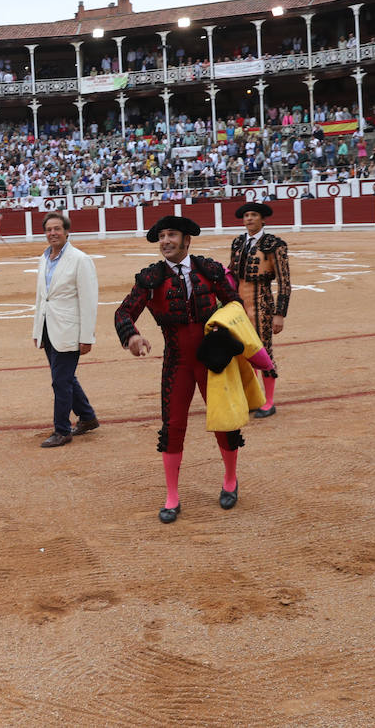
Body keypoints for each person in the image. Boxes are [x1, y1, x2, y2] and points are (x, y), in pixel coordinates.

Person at [114, 216, 242, 523]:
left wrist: (225, 334)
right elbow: (123, 312)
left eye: (171, 235)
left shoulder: (207, 270)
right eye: (161, 236)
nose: (165, 241)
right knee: (172, 427)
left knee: (224, 421)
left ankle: (230, 479)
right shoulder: (151, 277)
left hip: (213, 361)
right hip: (177, 362)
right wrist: (131, 335)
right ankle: (172, 495)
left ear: (187, 240)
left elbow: (235, 304)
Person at [30, 212, 99, 448]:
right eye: (49, 229)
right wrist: (38, 330)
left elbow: (89, 300)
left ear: (67, 231)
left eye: (57, 229)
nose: (53, 233)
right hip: (50, 328)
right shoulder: (45, 258)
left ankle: (62, 430)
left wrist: (87, 336)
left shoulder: (80, 259)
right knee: (65, 377)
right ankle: (87, 417)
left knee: (60, 381)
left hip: (70, 329)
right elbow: (42, 298)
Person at [228, 203, 291, 417]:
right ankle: (254, 397)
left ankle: (269, 401)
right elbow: (231, 275)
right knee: (244, 352)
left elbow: (285, 282)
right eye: (246, 215)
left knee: (263, 351)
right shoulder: (238, 242)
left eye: (254, 215)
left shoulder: (274, 244)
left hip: (262, 304)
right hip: (239, 306)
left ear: (262, 219)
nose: (249, 219)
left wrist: (279, 314)